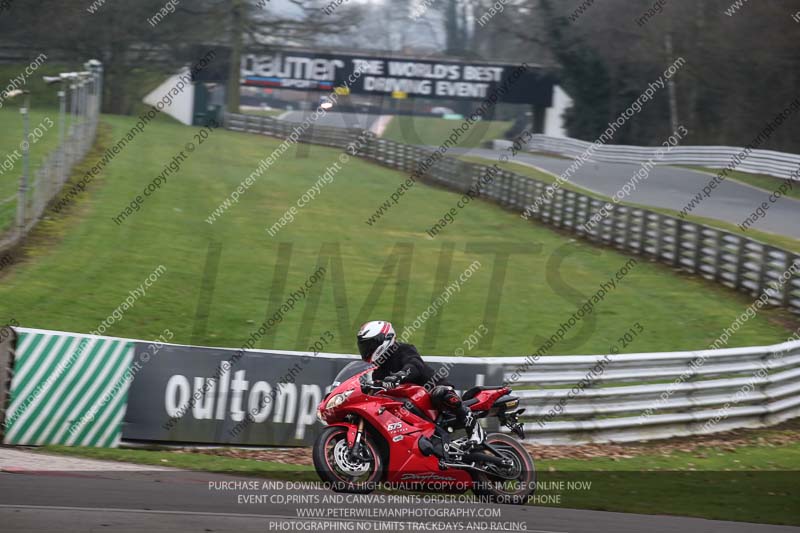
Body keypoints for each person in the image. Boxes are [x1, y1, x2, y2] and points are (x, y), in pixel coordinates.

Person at [356, 320, 485, 446]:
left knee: (440, 393)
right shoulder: (378, 371)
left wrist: (399, 376)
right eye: (364, 346)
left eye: (369, 345)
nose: (366, 349)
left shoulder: (403, 349)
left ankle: (474, 428)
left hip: (432, 391)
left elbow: (415, 365)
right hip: (412, 406)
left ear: (383, 340)